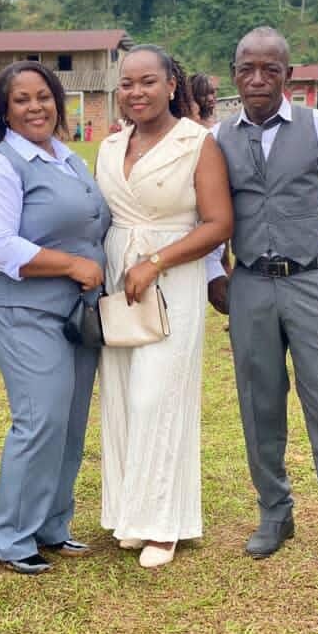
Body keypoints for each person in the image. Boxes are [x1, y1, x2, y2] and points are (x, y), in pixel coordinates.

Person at [208, 27, 318, 572]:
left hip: (311, 279)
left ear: (289, 75)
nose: (257, 79)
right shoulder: (217, 137)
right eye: (247, 69)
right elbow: (204, 210)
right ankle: (275, 512)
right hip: (250, 284)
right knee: (258, 402)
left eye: (270, 69)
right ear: (234, 75)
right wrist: (214, 270)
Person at [0, 61, 110, 575]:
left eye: (44, 96)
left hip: (77, 311)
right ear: (4, 111)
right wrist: (72, 264)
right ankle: (11, 536)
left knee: (69, 421)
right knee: (41, 416)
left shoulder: (68, 159)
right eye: (21, 99)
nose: (35, 107)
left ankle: (51, 525)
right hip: (23, 308)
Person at [95, 45, 233, 569]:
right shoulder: (111, 145)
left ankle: (163, 523)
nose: (137, 92)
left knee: (158, 396)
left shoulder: (196, 144)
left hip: (171, 278)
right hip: (117, 280)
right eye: (127, 83)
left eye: (148, 81)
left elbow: (219, 224)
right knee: (121, 395)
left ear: (172, 85)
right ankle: (129, 515)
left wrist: (155, 261)